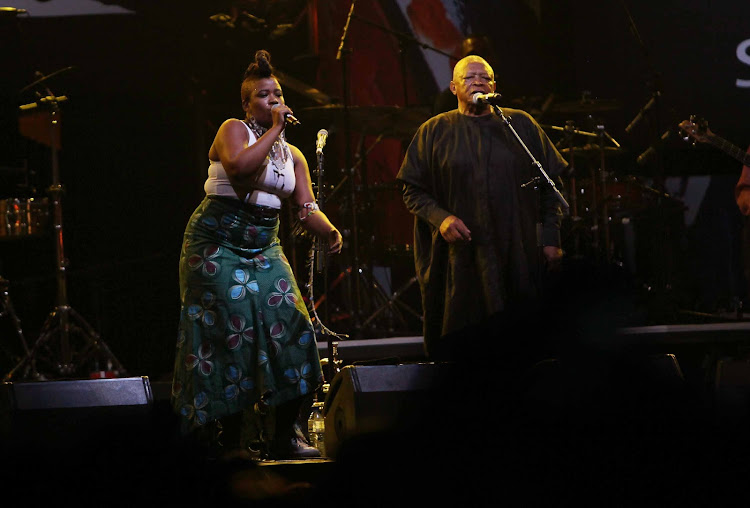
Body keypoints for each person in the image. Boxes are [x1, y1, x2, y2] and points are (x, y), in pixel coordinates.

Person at [171, 49, 342, 460]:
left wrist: (330, 230)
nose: (273, 101)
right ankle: (227, 442)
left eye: (277, 94)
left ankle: (285, 434)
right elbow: (240, 169)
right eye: (264, 96)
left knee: (294, 325)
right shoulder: (234, 130)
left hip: (264, 245)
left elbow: (305, 208)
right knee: (231, 333)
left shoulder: (293, 155)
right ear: (247, 104)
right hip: (215, 244)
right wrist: (274, 130)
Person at [397, 54, 568, 363]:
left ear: (494, 85)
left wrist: (551, 238)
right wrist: (442, 219)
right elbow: (412, 190)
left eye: (485, 77)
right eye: (470, 77)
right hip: (459, 259)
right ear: (452, 87)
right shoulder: (433, 131)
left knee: (521, 342)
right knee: (463, 340)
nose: (479, 81)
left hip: (516, 253)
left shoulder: (520, 125)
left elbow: (550, 185)